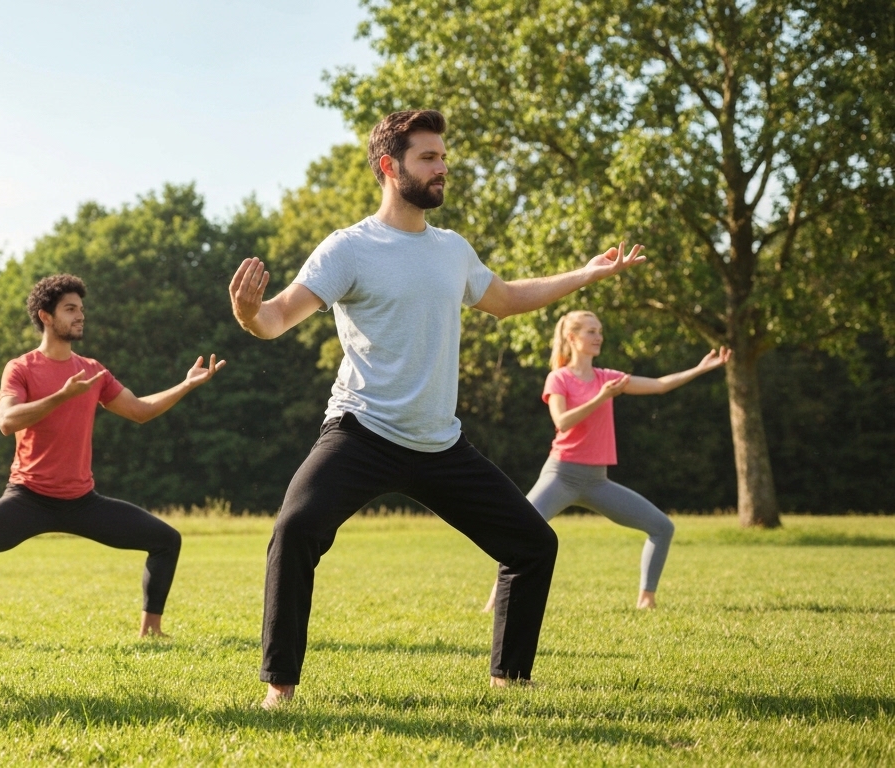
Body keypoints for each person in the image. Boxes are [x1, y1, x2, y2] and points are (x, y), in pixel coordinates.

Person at [228, 109, 650, 708]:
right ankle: (280, 689)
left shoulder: (452, 250)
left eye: (443, 157)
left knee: (533, 546)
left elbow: (505, 299)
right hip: (361, 431)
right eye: (428, 157)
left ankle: (510, 682)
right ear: (388, 167)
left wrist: (584, 273)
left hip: (438, 443)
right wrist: (249, 313)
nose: (442, 167)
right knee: (295, 529)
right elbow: (275, 317)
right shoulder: (350, 248)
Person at [0, 274, 224, 645]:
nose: (80, 315)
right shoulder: (21, 368)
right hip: (27, 497)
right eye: (70, 309)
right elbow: (7, 421)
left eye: (81, 309)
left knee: (166, 539)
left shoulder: (93, 370)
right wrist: (59, 397)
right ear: (46, 316)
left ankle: (151, 630)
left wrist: (186, 385)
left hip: (81, 501)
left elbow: (139, 410)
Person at [481, 311, 729, 612]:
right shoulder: (559, 378)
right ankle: (495, 603)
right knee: (518, 532)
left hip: (597, 481)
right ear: (572, 338)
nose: (598, 336)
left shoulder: (607, 378)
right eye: (590, 331)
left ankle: (646, 599)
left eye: (599, 330)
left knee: (662, 527)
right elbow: (562, 421)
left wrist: (700, 369)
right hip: (561, 476)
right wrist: (600, 397)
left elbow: (660, 384)